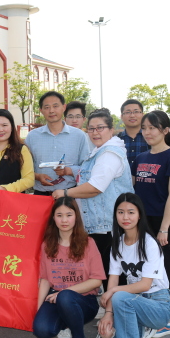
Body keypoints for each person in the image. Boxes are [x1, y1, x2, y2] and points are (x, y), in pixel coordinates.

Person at [53, 108, 134, 292]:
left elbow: (95, 187)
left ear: (111, 129)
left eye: (100, 128)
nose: (95, 132)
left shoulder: (110, 154)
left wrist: (65, 193)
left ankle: (116, 306)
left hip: (107, 226)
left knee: (113, 272)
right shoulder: (99, 151)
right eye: (91, 129)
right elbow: (91, 172)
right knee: (107, 270)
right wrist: (70, 171)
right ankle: (111, 304)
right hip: (99, 225)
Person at [97, 193, 170, 338]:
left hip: (159, 305)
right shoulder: (118, 244)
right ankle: (141, 332)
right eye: (120, 212)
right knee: (107, 333)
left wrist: (114, 291)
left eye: (131, 212)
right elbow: (113, 279)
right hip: (135, 301)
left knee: (120, 296)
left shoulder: (150, 243)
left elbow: (145, 285)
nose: (126, 217)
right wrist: (108, 314)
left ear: (139, 215)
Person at [33, 197, 105, 338]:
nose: (64, 220)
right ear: (53, 218)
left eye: (69, 215)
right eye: (59, 215)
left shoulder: (88, 243)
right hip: (56, 296)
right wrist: (39, 309)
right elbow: (45, 279)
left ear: (76, 217)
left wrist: (64, 293)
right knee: (41, 329)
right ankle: (65, 325)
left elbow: (96, 280)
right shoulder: (47, 244)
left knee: (66, 297)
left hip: (84, 300)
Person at [131, 110, 170, 337]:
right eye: (144, 128)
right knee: (143, 267)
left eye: (152, 128)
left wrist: (164, 228)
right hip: (142, 221)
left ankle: (166, 318)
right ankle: (147, 312)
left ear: (165, 130)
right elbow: (133, 191)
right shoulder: (141, 158)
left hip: (165, 221)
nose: (147, 132)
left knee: (166, 269)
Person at [25, 91, 89, 196]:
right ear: (41, 111)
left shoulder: (79, 136)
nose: (51, 111)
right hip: (41, 194)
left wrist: (68, 170)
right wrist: (37, 176)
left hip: (69, 194)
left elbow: (87, 167)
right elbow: (24, 167)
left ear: (64, 107)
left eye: (55, 106)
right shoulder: (32, 136)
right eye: (47, 107)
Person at [118, 100, 150, 165]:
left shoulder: (150, 137)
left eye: (136, 112)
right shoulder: (117, 140)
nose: (132, 115)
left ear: (142, 115)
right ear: (122, 117)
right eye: (128, 112)